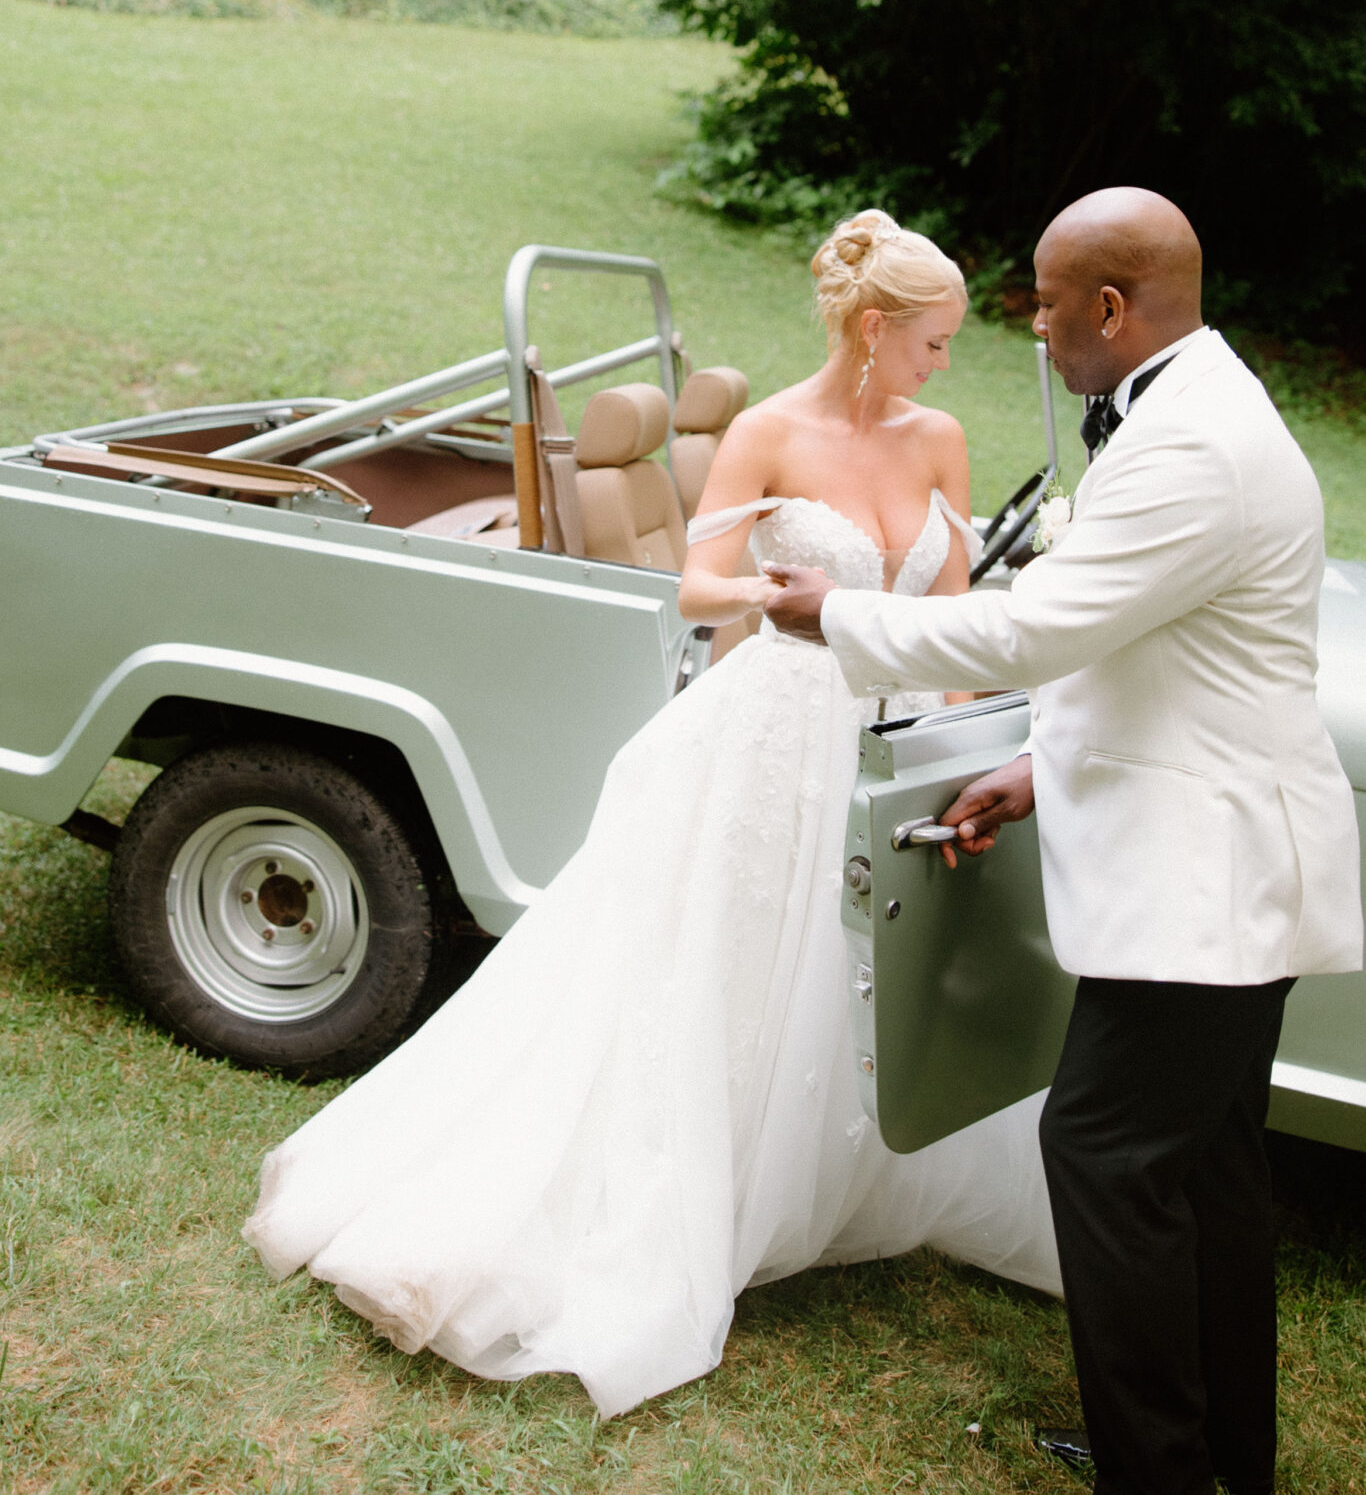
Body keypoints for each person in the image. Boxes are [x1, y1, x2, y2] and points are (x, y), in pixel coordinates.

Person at [243, 210, 1060, 1419]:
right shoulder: (769, 429)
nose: (947, 363)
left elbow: (945, 613)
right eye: (935, 341)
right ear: (877, 330)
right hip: (771, 727)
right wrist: (783, 599)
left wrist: (961, 735)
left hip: (882, 741)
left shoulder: (939, 438)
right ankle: (682, 1201)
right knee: (727, 970)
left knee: (865, 968)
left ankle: (820, 1172)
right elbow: (694, 584)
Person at [766, 187, 1363, 1495]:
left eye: (1040, 299)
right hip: (1212, 857)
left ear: (1107, 305)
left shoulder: (1191, 442)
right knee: (1200, 1165)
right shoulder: (1179, 406)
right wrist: (1039, 766)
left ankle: (1155, 1467)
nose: (1027, 324)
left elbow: (1032, 631)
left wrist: (841, 615)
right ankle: (1210, 1455)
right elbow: (1162, 647)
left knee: (1102, 1151)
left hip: (1201, 880)